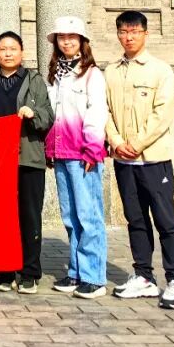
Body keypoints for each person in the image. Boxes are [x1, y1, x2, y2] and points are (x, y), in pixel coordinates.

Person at [105, 10, 174, 310]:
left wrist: (136, 144)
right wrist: (116, 142)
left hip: (154, 159)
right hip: (124, 161)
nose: (129, 37)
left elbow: (162, 115)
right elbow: (104, 111)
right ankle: (144, 276)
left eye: (134, 31)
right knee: (135, 220)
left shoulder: (161, 71)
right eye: (123, 32)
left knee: (166, 221)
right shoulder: (111, 71)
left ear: (145, 34)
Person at [0, 31, 54, 294]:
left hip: (28, 159)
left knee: (29, 216)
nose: (7, 53)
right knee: (1, 217)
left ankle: (30, 272)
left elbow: (48, 116)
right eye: (2, 49)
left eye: (12, 49)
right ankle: (5, 272)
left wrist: (33, 113)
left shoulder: (35, 81)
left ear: (22, 52)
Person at [44, 16, 109, 299]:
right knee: (70, 217)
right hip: (61, 153)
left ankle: (94, 276)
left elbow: (97, 112)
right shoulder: (55, 74)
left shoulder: (92, 74)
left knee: (88, 215)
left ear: (82, 41)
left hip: (83, 154)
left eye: (72, 37)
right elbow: (53, 114)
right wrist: (49, 148)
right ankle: (76, 271)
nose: (67, 41)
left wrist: (92, 149)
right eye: (62, 37)